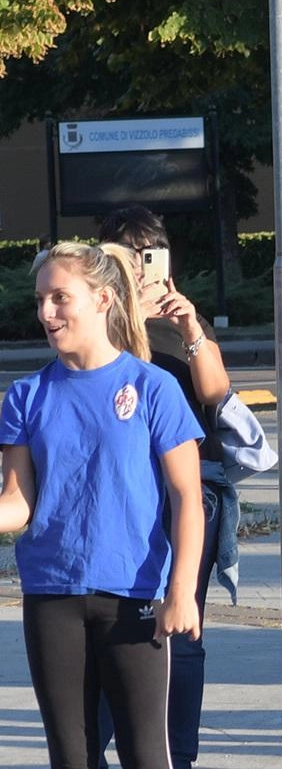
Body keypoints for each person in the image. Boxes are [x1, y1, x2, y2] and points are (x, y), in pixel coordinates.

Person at [0, 241, 205, 768]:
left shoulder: (153, 387)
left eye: (61, 298)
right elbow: (17, 505)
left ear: (103, 299)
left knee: (145, 755)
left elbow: (187, 498)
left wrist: (181, 591)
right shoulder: (26, 396)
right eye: (41, 299)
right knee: (72, 757)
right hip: (52, 595)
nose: (47, 312)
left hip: (133, 596)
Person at [93, 205, 237, 769]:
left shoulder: (181, 318)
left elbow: (216, 394)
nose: (144, 265)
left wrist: (191, 329)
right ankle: (96, 746)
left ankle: (179, 753)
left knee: (183, 626)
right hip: (125, 487)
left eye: (151, 252)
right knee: (113, 622)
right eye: (132, 253)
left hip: (189, 486)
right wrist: (128, 315)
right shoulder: (99, 316)